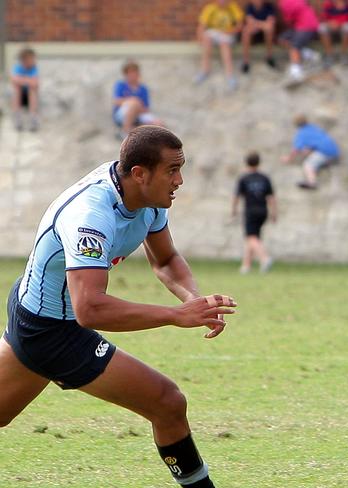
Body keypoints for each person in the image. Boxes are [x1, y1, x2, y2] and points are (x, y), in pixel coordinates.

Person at [0, 126, 237, 488]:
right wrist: (175, 316)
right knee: (167, 402)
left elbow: (166, 259)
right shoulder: (91, 215)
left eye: (181, 168)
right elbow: (91, 309)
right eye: (172, 170)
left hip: (39, 313)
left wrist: (193, 299)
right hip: (52, 329)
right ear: (140, 173)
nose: (180, 180)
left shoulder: (145, 199)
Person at [231, 151, 277, 273]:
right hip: (263, 210)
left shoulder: (244, 178)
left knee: (251, 237)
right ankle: (246, 266)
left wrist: (234, 210)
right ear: (259, 162)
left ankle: (265, 258)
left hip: (251, 211)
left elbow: (237, 196)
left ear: (246, 163)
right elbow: (271, 197)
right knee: (252, 238)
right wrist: (274, 213)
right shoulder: (264, 178)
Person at [194, 0, 245, 90]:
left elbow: (240, 25)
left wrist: (230, 31)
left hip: (228, 32)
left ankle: (230, 75)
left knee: (224, 44)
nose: (222, 1)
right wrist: (200, 39)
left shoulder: (233, 7)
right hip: (215, 31)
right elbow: (201, 25)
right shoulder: (210, 8)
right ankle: (204, 70)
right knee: (206, 38)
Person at [282, 114, 340, 190]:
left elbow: (296, 149)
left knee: (308, 165)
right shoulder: (314, 128)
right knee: (314, 160)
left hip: (324, 152)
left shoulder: (302, 133)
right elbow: (316, 143)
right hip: (334, 152)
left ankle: (312, 183)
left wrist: (288, 158)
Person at [112, 60, 163, 138]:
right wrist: (133, 102)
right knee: (134, 102)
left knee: (158, 124)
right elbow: (117, 101)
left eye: (134, 72)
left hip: (139, 114)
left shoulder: (143, 88)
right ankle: (125, 130)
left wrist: (137, 107)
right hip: (123, 114)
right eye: (129, 73)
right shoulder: (121, 85)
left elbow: (146, 109)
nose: (132, 75)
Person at [278, 0, 321, 84]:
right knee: (282, 39)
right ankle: (305, 53)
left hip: (306, 26)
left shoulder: (284, 3)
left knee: (294, 48)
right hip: (304, 25)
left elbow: (289, 21)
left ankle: (296, 71)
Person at [240, 0, 278, 74]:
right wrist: (263, 25)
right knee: (245, 32)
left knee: (270, 29)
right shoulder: (250, 6)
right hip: (256, 29)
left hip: (265, 31)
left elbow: (271, 21)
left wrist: (257, 24)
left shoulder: (269, 6)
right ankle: (246, 61)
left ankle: (269, 57)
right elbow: (249, 20)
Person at [318, 0, 348, 66]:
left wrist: (339, 23)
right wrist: (329, 23)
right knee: (322, 28)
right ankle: (330, 55)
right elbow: (323, 17)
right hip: (331, 24)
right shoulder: (328, 3)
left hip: (343, 24)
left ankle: (344, 55)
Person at [10, 46, 39, 131]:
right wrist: (28, 80)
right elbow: (14, 80)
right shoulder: (17, 68)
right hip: (20, 97)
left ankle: (33, 118)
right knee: (17, 89)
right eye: (32, 59)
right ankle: (17, 117)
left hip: (30, 97)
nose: (34, 61)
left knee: (32, 90)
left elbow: (35, 83)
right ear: (24, 60)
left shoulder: (34, 69)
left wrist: (22, 80)